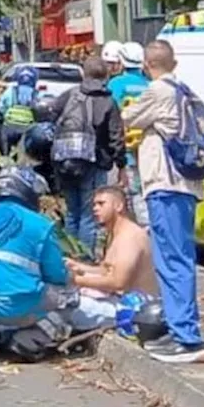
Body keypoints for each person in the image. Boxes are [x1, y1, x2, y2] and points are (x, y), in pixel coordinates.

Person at [122, 40, 204, 364]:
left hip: (166, 184)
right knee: (174, 258)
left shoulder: (158, 91)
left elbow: (128, 116)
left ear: (146, 63)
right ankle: (178, 329)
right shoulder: (184, 90)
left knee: (173, 261)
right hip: (183, 186)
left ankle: (186, 337)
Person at [0, 167, 71, 361]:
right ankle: (27, 341)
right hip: (16, 305)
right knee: (70, 296)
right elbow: (57, 275)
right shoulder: (40, 224)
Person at [52, 57, 126, 260]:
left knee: (71, 213)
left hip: (65, 161)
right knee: (89, 215)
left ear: (84, 74)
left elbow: (50, 118)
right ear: (106, 77)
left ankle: (67, 258)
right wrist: (121, 165)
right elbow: (116, 137)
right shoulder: (108, 101)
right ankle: (84, 260)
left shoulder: (70, 95)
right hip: (95, 164)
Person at [64, 186, 161, 330]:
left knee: (66, 306)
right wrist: (77, 266)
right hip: (120, 300)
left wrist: (77, 280)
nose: (95, 209)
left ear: (119, 206)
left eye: (101, 204)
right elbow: (106, 270)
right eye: (94, 205)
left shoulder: (129, 237)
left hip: (136, 309)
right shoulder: (117, 232)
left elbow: (118, 282)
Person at [108, 42, 150, 225]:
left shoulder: (116, 84)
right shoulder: (150, 85)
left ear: (122, 62)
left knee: (131, 193)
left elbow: (111, 115)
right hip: (147, 148)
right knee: (144, 192)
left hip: (125, 149)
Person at [0, 65, 40, 156]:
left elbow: (1, 107)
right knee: (23, 155)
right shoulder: (36, 93)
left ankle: (6, 160)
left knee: (6, 151)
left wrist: (6, 115)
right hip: (27, 129)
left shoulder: (10, 91)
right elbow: (38, 110)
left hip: (9, 126)